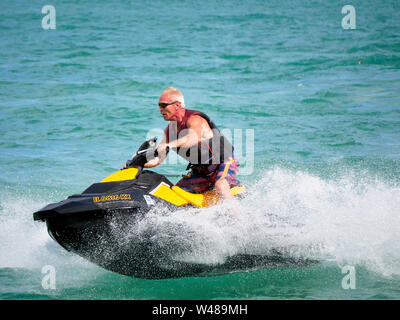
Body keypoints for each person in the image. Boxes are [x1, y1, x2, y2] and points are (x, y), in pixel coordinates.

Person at [142, 87, 240, 200]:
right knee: (175, 193)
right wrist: (138, 164)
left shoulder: (194, 119)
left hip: (224, 162)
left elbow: (193, 138)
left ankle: (239, 217)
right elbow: (158, 159)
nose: (160, 109)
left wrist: (170, 145)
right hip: (202, 172)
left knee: (220, 185)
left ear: (177, 105)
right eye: (159, 106)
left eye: (163, 105)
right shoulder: (169, 131)